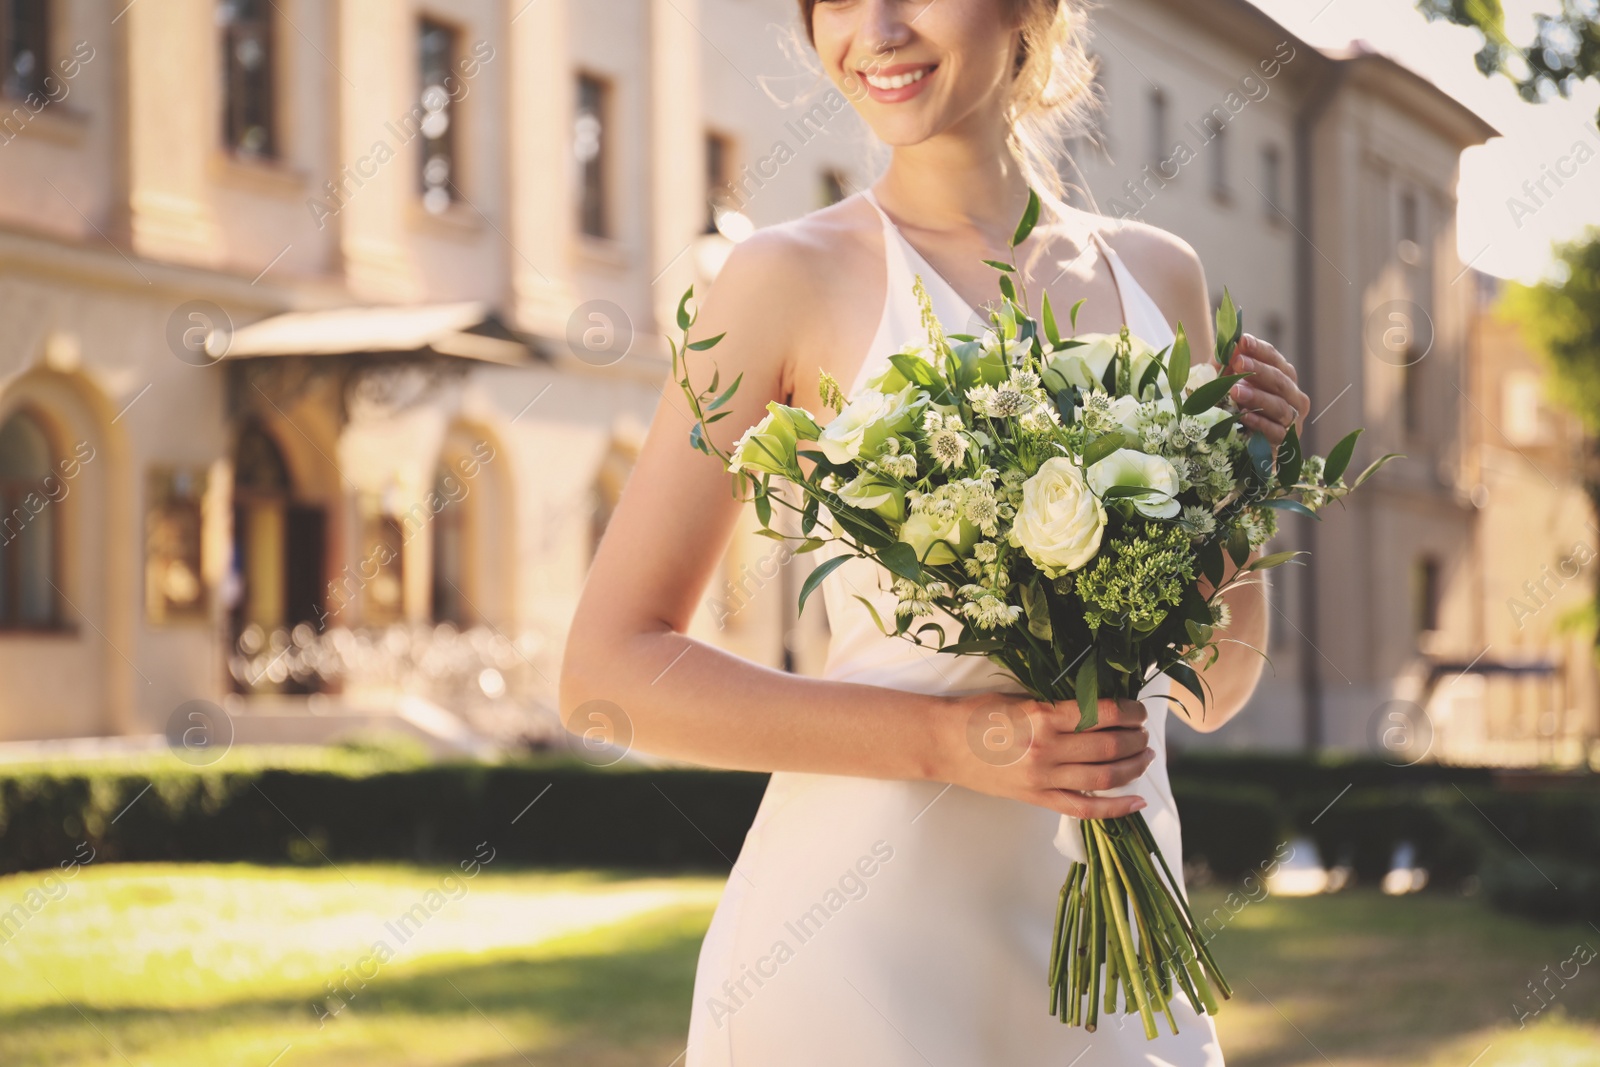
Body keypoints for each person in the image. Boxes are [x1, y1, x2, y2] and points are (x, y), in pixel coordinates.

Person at [561, 1, 1313, 1062]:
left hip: (1115, 960)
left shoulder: (1162, 279)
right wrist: (954, 742)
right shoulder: (780, 280)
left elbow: (1218, 680)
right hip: (857, 952)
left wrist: (1248, 480)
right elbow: (607, 668)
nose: (874, 27)